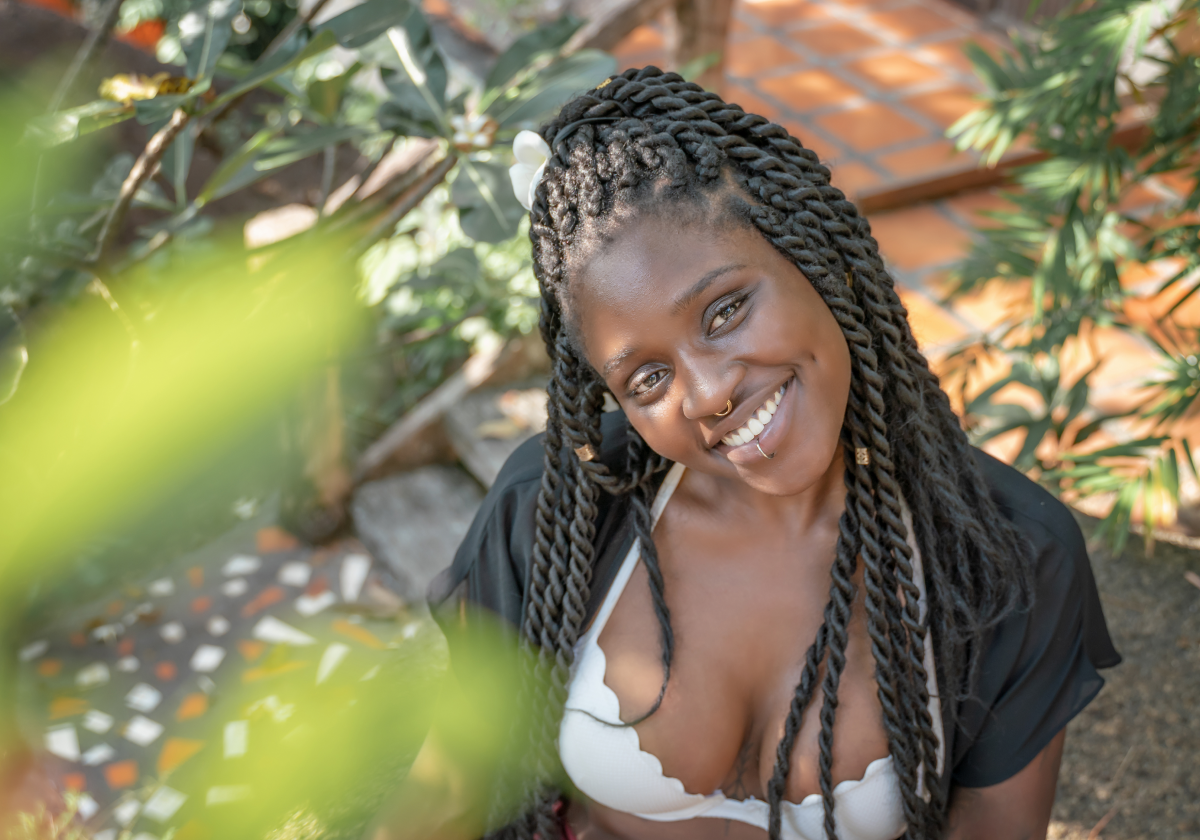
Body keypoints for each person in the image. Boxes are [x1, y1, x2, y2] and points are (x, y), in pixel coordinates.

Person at [372, 66, 1120, 840]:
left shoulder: (1003, 555)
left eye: (725, 310)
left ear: (815, 261)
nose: (705, 394)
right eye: (647, 376)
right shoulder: (556, 515)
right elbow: (449, 794)